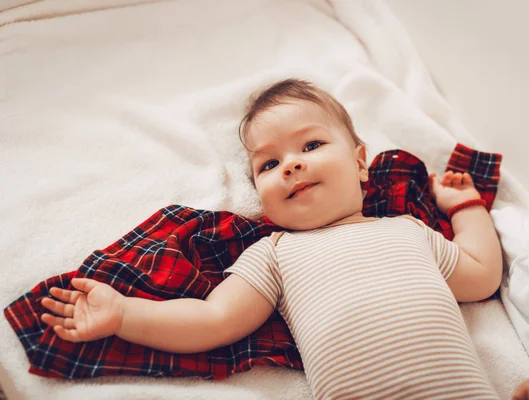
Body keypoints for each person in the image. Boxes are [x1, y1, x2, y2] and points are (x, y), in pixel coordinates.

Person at [41, 79, 505, 399]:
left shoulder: (407, 229)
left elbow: (482, 275)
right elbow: (212, 319)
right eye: (268, 165)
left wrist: (463, 207)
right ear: (263, 201)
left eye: (311, 145)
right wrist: (124, 314)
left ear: (362, 163)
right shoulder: (275, 254)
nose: (291, 165)